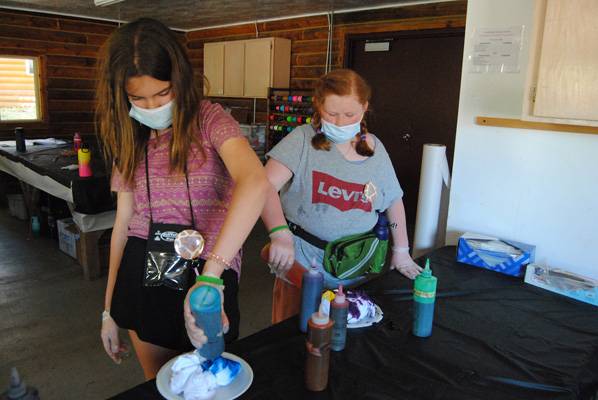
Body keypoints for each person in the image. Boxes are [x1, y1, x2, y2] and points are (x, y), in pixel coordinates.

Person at [97, 18, 268, 379]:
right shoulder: (129, 136)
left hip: (207, 264)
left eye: (163, 93)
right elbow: (123, 225)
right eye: (138, 98)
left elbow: (255, 181)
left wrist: (212, 276)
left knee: (212, 375)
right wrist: (108, 310)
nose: (151, 106)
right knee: (162, 379)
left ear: (180, 80)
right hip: (143, 263)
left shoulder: (210, 120)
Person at [261, 69, 422, 323]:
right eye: (331, 114)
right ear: (318, 106)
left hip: (353, 270)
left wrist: (401, 249)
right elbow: (262, 188)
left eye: (350, 115)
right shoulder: (302, 140)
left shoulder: (374, 148)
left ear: (364, 107)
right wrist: (278, 233)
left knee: (347, 334)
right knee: (293, 333)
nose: (339, 123)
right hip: (302, 266)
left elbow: (392, 200)